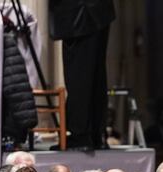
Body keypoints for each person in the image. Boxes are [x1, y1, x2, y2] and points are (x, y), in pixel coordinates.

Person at [49, 0, 115, 150]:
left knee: (79, 74)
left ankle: (82, 135)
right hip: (98, 11)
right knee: (95, 74)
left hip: (79, 13)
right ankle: (96, 134)